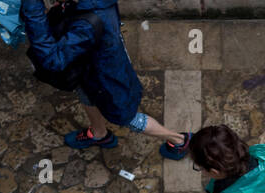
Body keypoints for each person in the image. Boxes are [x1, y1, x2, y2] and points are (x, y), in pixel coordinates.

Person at [19, 0, 188, 156]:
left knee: (128, 118)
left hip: (107, 79)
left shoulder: (88, 23)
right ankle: (99, 134)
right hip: (87, 68)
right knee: (86, 95)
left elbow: (53, 60)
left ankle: (178, 141)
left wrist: (32, 9)